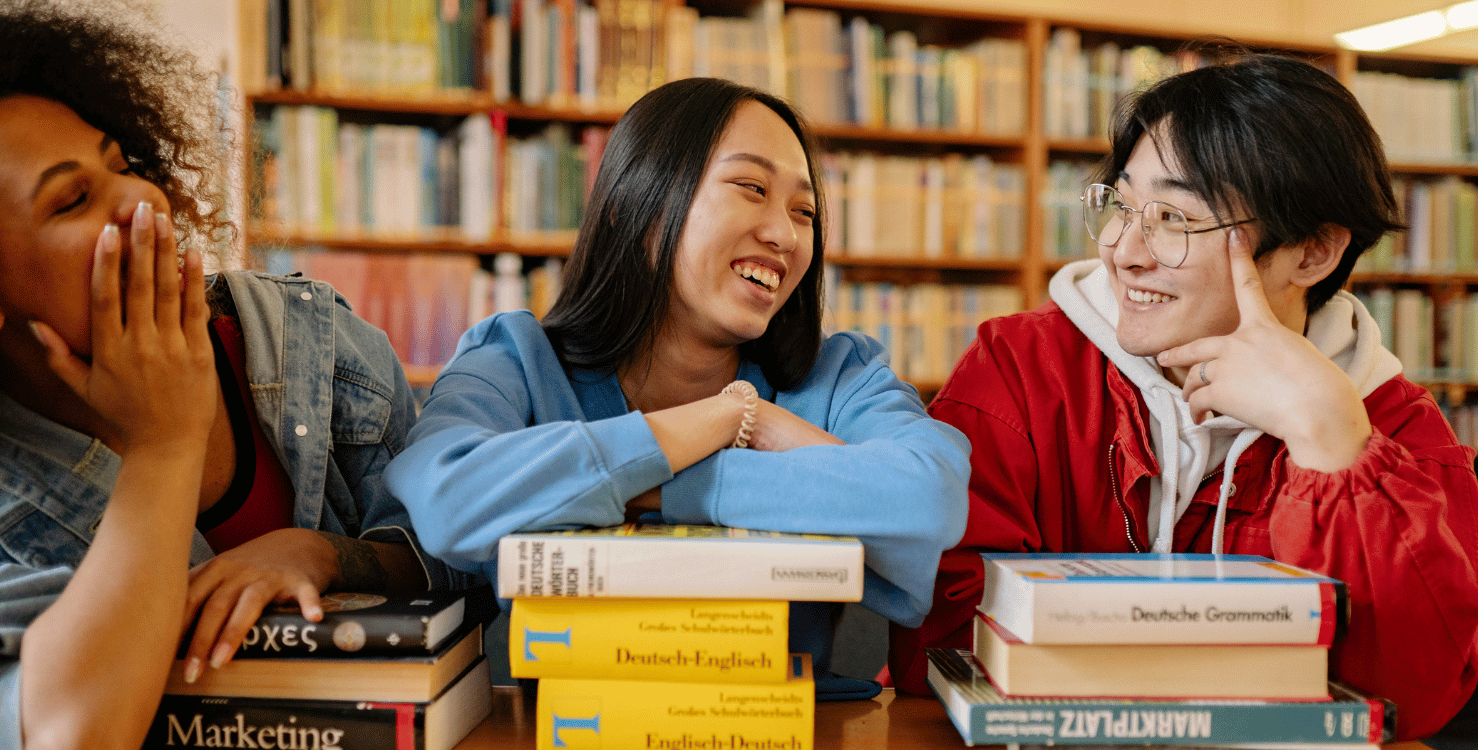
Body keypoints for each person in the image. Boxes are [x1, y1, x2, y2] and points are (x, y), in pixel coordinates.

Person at [888, 48, 1478, 740]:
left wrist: (1329, 439)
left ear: (1312, 252)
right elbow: (937, 637)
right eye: (1122, 205)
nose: (1123, 251)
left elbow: (1410, 696)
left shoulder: (1394, 427)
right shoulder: (1022, 367)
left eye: (1174, 218)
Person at [385, 76, 971, 696]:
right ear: (636, 207)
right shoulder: (515, 359)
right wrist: (719, 422)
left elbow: (927, 495)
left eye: (804, 212)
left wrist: (666, 477)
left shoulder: (839, 375)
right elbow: (447, 495)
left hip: (785, 728)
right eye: (752, 188)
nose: (787, 235)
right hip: (557, 731)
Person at [0, 3, 460, 748]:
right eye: (73, 200)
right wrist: (165, 443)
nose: (142, 199)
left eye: (123, 165)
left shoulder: (316, 342)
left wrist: (321, 553)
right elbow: (67, 733)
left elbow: (465, 564)